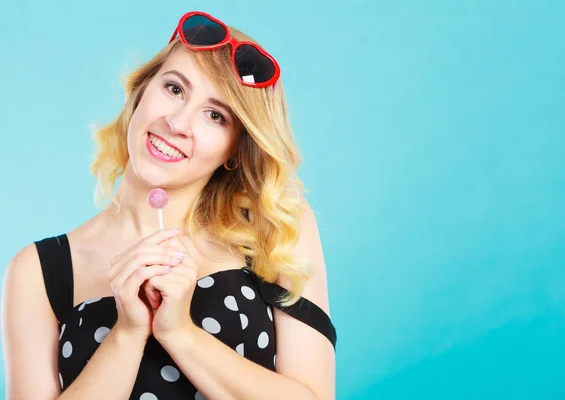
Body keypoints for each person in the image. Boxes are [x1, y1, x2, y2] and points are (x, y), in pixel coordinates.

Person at [1, 11, 337, 400]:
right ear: (141, 90)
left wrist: (180, 334)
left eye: (215, 115)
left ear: (234, 150)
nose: (178, 123)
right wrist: (127, 333)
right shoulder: (38, 271)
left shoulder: (274, 226)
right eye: (175, 89)